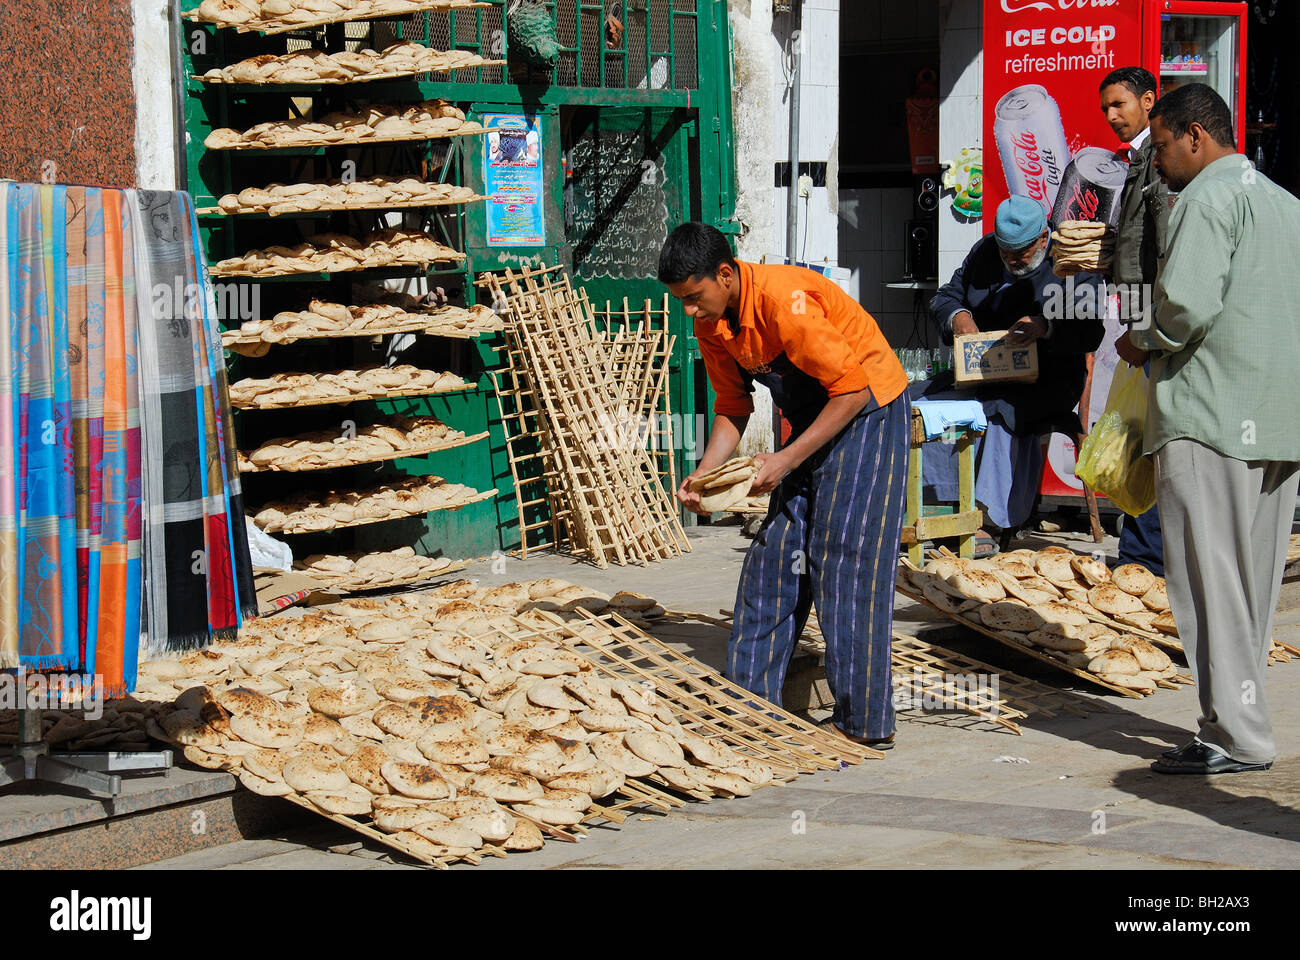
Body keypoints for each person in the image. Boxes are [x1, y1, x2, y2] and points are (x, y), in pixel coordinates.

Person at [658, 223, 909, 748]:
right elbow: (732, 407)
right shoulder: (712, 323)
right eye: (680, 300)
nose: (689, 310)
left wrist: (784, 459)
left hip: (868, 412)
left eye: (693, 296)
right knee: (775, 561)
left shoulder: (784, 302)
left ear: (725, 274)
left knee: (844, 562)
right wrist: (706, 473)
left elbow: (852, 392)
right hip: (815, 418)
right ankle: (752, 712)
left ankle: (862, 724)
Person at [1115, 84, 1300, 775]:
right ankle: (1243, 721)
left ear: (1196, 135)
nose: (1157, 163)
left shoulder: (1203, 199)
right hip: (1278, 419)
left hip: (1210, 417)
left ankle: (1237, 737)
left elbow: (1185, 305)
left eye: (1161, 147)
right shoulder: (1284, 203)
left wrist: (1142, 338)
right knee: (1250, 588)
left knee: (1208, 583)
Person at [924, 196, 1105, 548]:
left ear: (1042, 238)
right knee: (921, 404)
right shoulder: (985, 252)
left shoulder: (1070, 260)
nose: (1010, 260)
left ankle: (989, 518)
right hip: (982, 372)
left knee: (1001, 411)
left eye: (1019, 252)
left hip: (1050, 378)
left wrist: (1045, 326)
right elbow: (947, 296)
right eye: (1005, 252)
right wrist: (957, 316)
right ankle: (937, 507)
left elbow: (1091, 332)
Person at [1100, 66, 1169, 576]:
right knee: (1143, 436)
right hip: (1140, 314)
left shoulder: (1158, 157)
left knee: (1152, 440)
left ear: (1149, 101)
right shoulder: (1136, 159)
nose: (1111, 116)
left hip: (1153, 319)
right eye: (1106, 108)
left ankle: (1142, 560)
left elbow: (1156, 246)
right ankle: (1140, 556)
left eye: (1119, 104)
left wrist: (1144, 328)